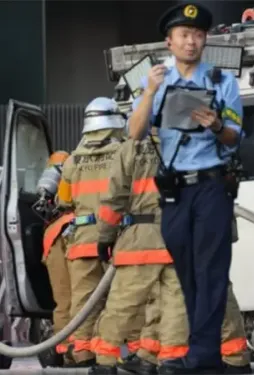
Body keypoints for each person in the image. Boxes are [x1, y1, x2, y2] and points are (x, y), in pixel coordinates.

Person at [127, 2, 244, 373]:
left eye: (197, 35)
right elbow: (135, 132)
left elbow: (235, 139)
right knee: (187, 272)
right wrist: (149, 92)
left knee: (210, 271)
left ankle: (203, 355)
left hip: (210, 187)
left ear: (205, 40)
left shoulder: (221, 82)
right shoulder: (157, 82)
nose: (191, 42)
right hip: (175, 191)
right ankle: (203, 354)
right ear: (170, 41)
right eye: (183, 35)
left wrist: (215, 126)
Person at [89, 134, 188, 375]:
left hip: (139, 238)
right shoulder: (187, 141)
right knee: (176, 303)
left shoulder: (130, 148)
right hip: (179, 235)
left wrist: (105, 236)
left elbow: (114, 198)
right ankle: (172, 362)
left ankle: (105, 362)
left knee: (122, 305)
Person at [57, 97, 128, 366]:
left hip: (83, 241)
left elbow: (63, 202)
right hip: (117, 240)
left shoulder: (72, 161)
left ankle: (83, 354)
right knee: (123, 300)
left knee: (84, 302)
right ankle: (119, 356)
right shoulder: (123, 153)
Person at [38, 151, 76, 366]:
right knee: (84, 300)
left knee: (64, 301)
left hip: (55, 234)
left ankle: (65, 353)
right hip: (78, 232)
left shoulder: (62, 161)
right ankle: (78, 353)